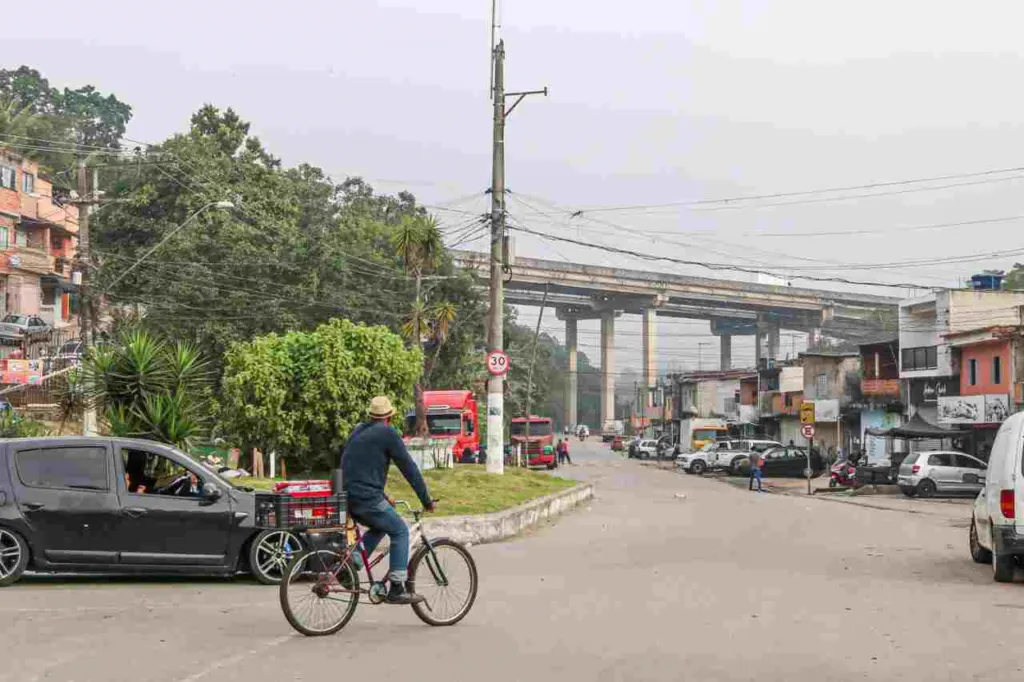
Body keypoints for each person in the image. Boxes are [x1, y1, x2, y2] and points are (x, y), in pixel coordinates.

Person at [341, 396, 434, 605]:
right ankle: (397, 588)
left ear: (371, 416)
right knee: (400, 530)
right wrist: (426, 500)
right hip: (366, 497)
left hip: (349, 496)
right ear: (389, 417)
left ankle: (352, 561)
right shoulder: (388, 433)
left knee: (381, 525)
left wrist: (383, 496)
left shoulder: (358, 430)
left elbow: (359, 468)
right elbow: (409, 468)